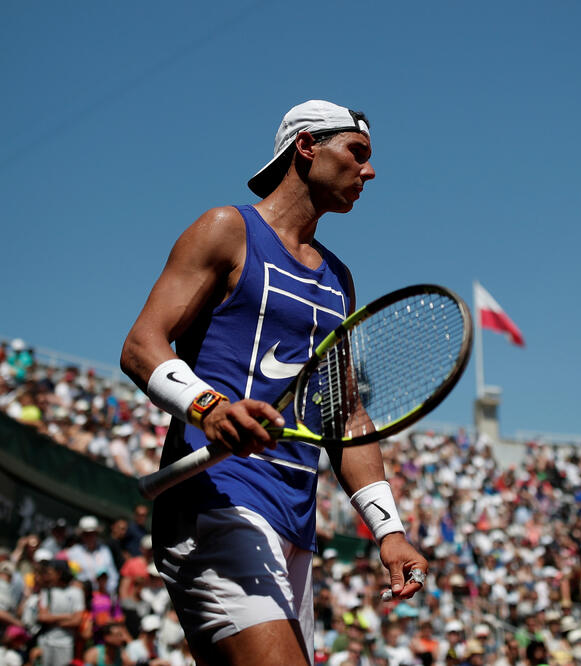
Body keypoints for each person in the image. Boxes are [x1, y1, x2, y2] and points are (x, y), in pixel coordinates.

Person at [120, 99, 427, 666]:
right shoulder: (225, 229)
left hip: (295, 523)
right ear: (307, 146)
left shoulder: (339, 280)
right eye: (356, 153)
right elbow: (142, 346)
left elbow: (346, 418)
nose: (370, 171)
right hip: (218, 501)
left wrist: (389, 532)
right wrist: (210, 409)